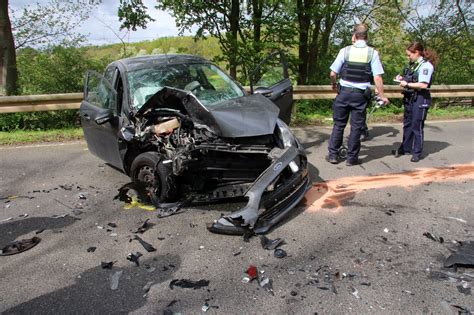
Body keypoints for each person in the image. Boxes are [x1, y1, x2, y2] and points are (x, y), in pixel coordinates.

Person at [327, 24, 389, 166]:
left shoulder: (345, 51)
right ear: (367, 37)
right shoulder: (372, 53)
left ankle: (333, 155)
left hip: (343, 93)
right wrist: (382, 95)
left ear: (354, 36)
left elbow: (332, 73)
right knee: (356, 127)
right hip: (360, 96)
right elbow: (377, 78)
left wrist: (334, 85)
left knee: (338, 125)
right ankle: (351, 158)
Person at [392, 42, 439, 162]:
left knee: (416, 126)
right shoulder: (413, 65)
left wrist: (407, 84)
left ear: (417, 52)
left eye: (409, 55)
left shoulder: (426, 66)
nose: (408, 57)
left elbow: (423, 84)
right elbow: (411, 78)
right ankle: (405, 148)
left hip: (420, 98)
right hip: (409, 98)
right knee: (407, 124)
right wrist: (402, 79)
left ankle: (417, 152)